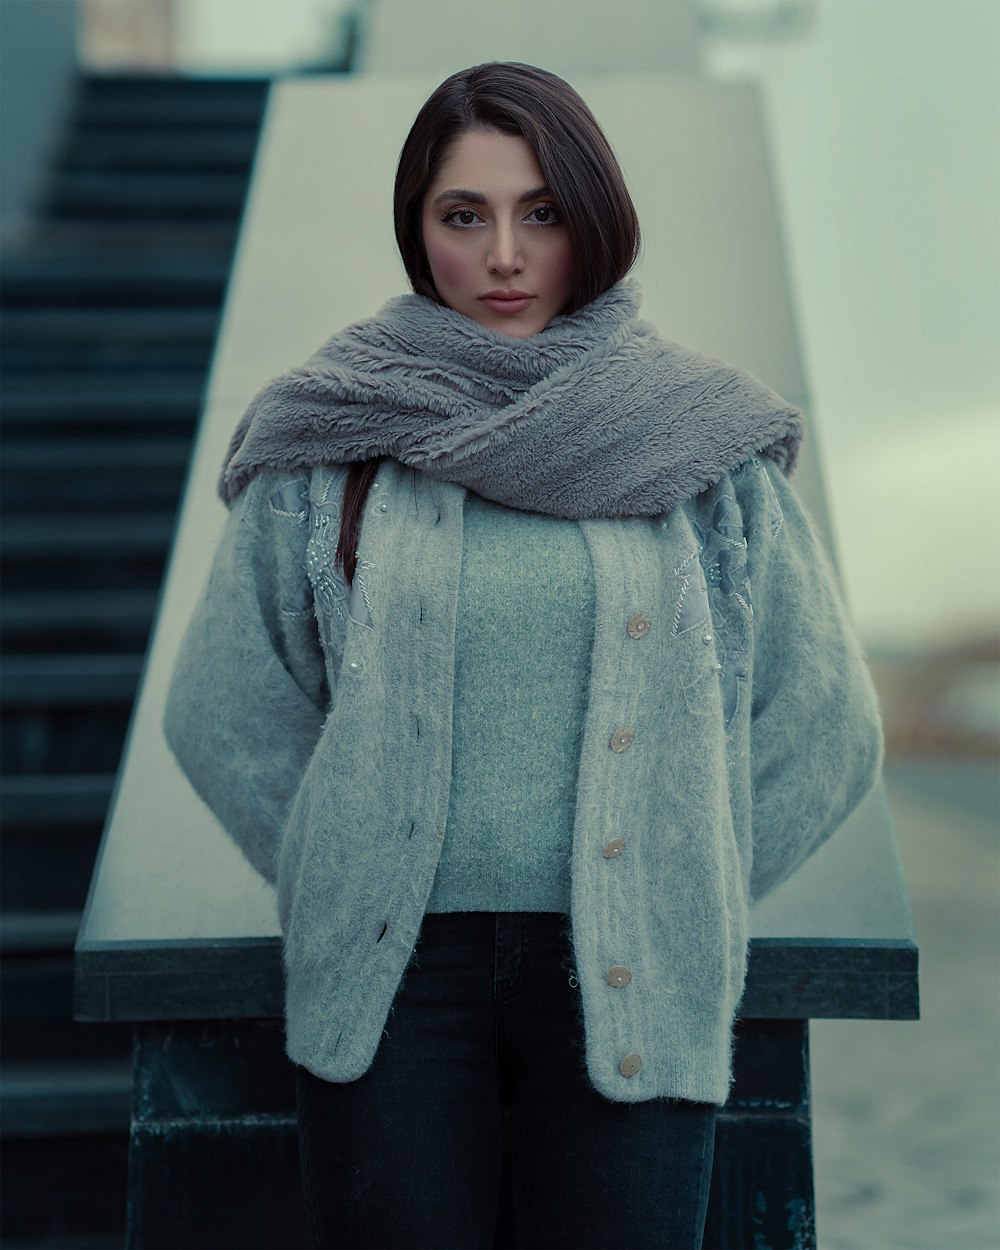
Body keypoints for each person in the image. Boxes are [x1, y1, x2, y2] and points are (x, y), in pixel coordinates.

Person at [164, 62, 883, 1250]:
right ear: (419, 230)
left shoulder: (703, 442)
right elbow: (224, 702)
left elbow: (822, 720)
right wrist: (346, 854)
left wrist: (674, 872)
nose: (504, 253)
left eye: (540, 212)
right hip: (390, 985)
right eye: (465, 215)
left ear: (592, 219)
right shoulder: (333, 436)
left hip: (640, 971)